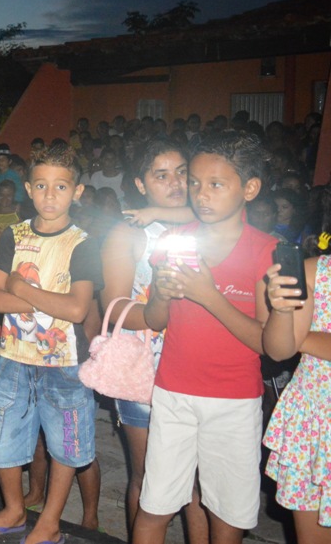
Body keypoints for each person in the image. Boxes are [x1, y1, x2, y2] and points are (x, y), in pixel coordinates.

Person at [134, 133, 278, 544]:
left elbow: (268, 343)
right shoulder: (174, 241)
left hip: (233, 400)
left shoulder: (265, 252)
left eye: (216, 184)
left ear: (249, 188)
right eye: (194, 183)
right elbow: (154, 319)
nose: (201, 194)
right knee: (154, 505)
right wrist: (161, 293)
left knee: (226, 516)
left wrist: (209, 296)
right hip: (173, 392)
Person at [0, 143, 100, 544]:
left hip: (66, 363)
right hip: (13, 357)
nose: (49, 195)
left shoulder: (83, 243)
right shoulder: (14, 235)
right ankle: (13, 508)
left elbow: (77, 309)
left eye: (61, 187)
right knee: (1, 438)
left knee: (66, 445)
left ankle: (51, 520)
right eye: (41, 186)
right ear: (28, 188)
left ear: (76, 192)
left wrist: (21, 287)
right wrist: (45, 298)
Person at [99, 139, 207, 542]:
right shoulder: (129, 233)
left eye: (182, 172)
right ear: (140, 184)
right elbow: (116, 304)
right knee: (147, 476)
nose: (176, 182)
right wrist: (158, 308)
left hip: (200, 366)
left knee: (197, 483)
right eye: (161, 175)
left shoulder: (207, 222)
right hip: (145, 369)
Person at [262, 235, 331, 540]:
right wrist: (282, 311)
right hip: (315, 425)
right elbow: (279, 350)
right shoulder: (317, 272)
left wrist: (307, 338)